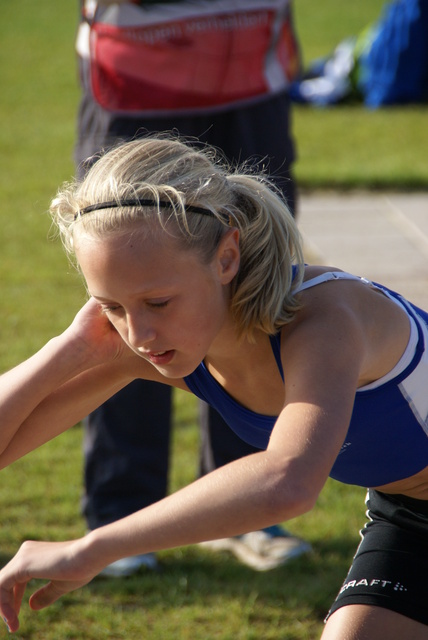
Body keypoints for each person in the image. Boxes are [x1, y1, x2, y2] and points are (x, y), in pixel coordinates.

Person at [3, 137, 428, 638]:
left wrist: (97, 546)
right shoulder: (165, 344)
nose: (137, 335)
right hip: (410, 512)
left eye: (158, 302)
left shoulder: (325, 319)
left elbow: (288, 482)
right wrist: (69, 347)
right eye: (111, 307)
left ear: (227, 257)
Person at [75, 0, 309, 575]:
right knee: (134, 298)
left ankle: (240, 512)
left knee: (255, 294)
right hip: (135, 75)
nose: (143, 330)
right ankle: (120, 514)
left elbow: (296, 480)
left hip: (249, 68)